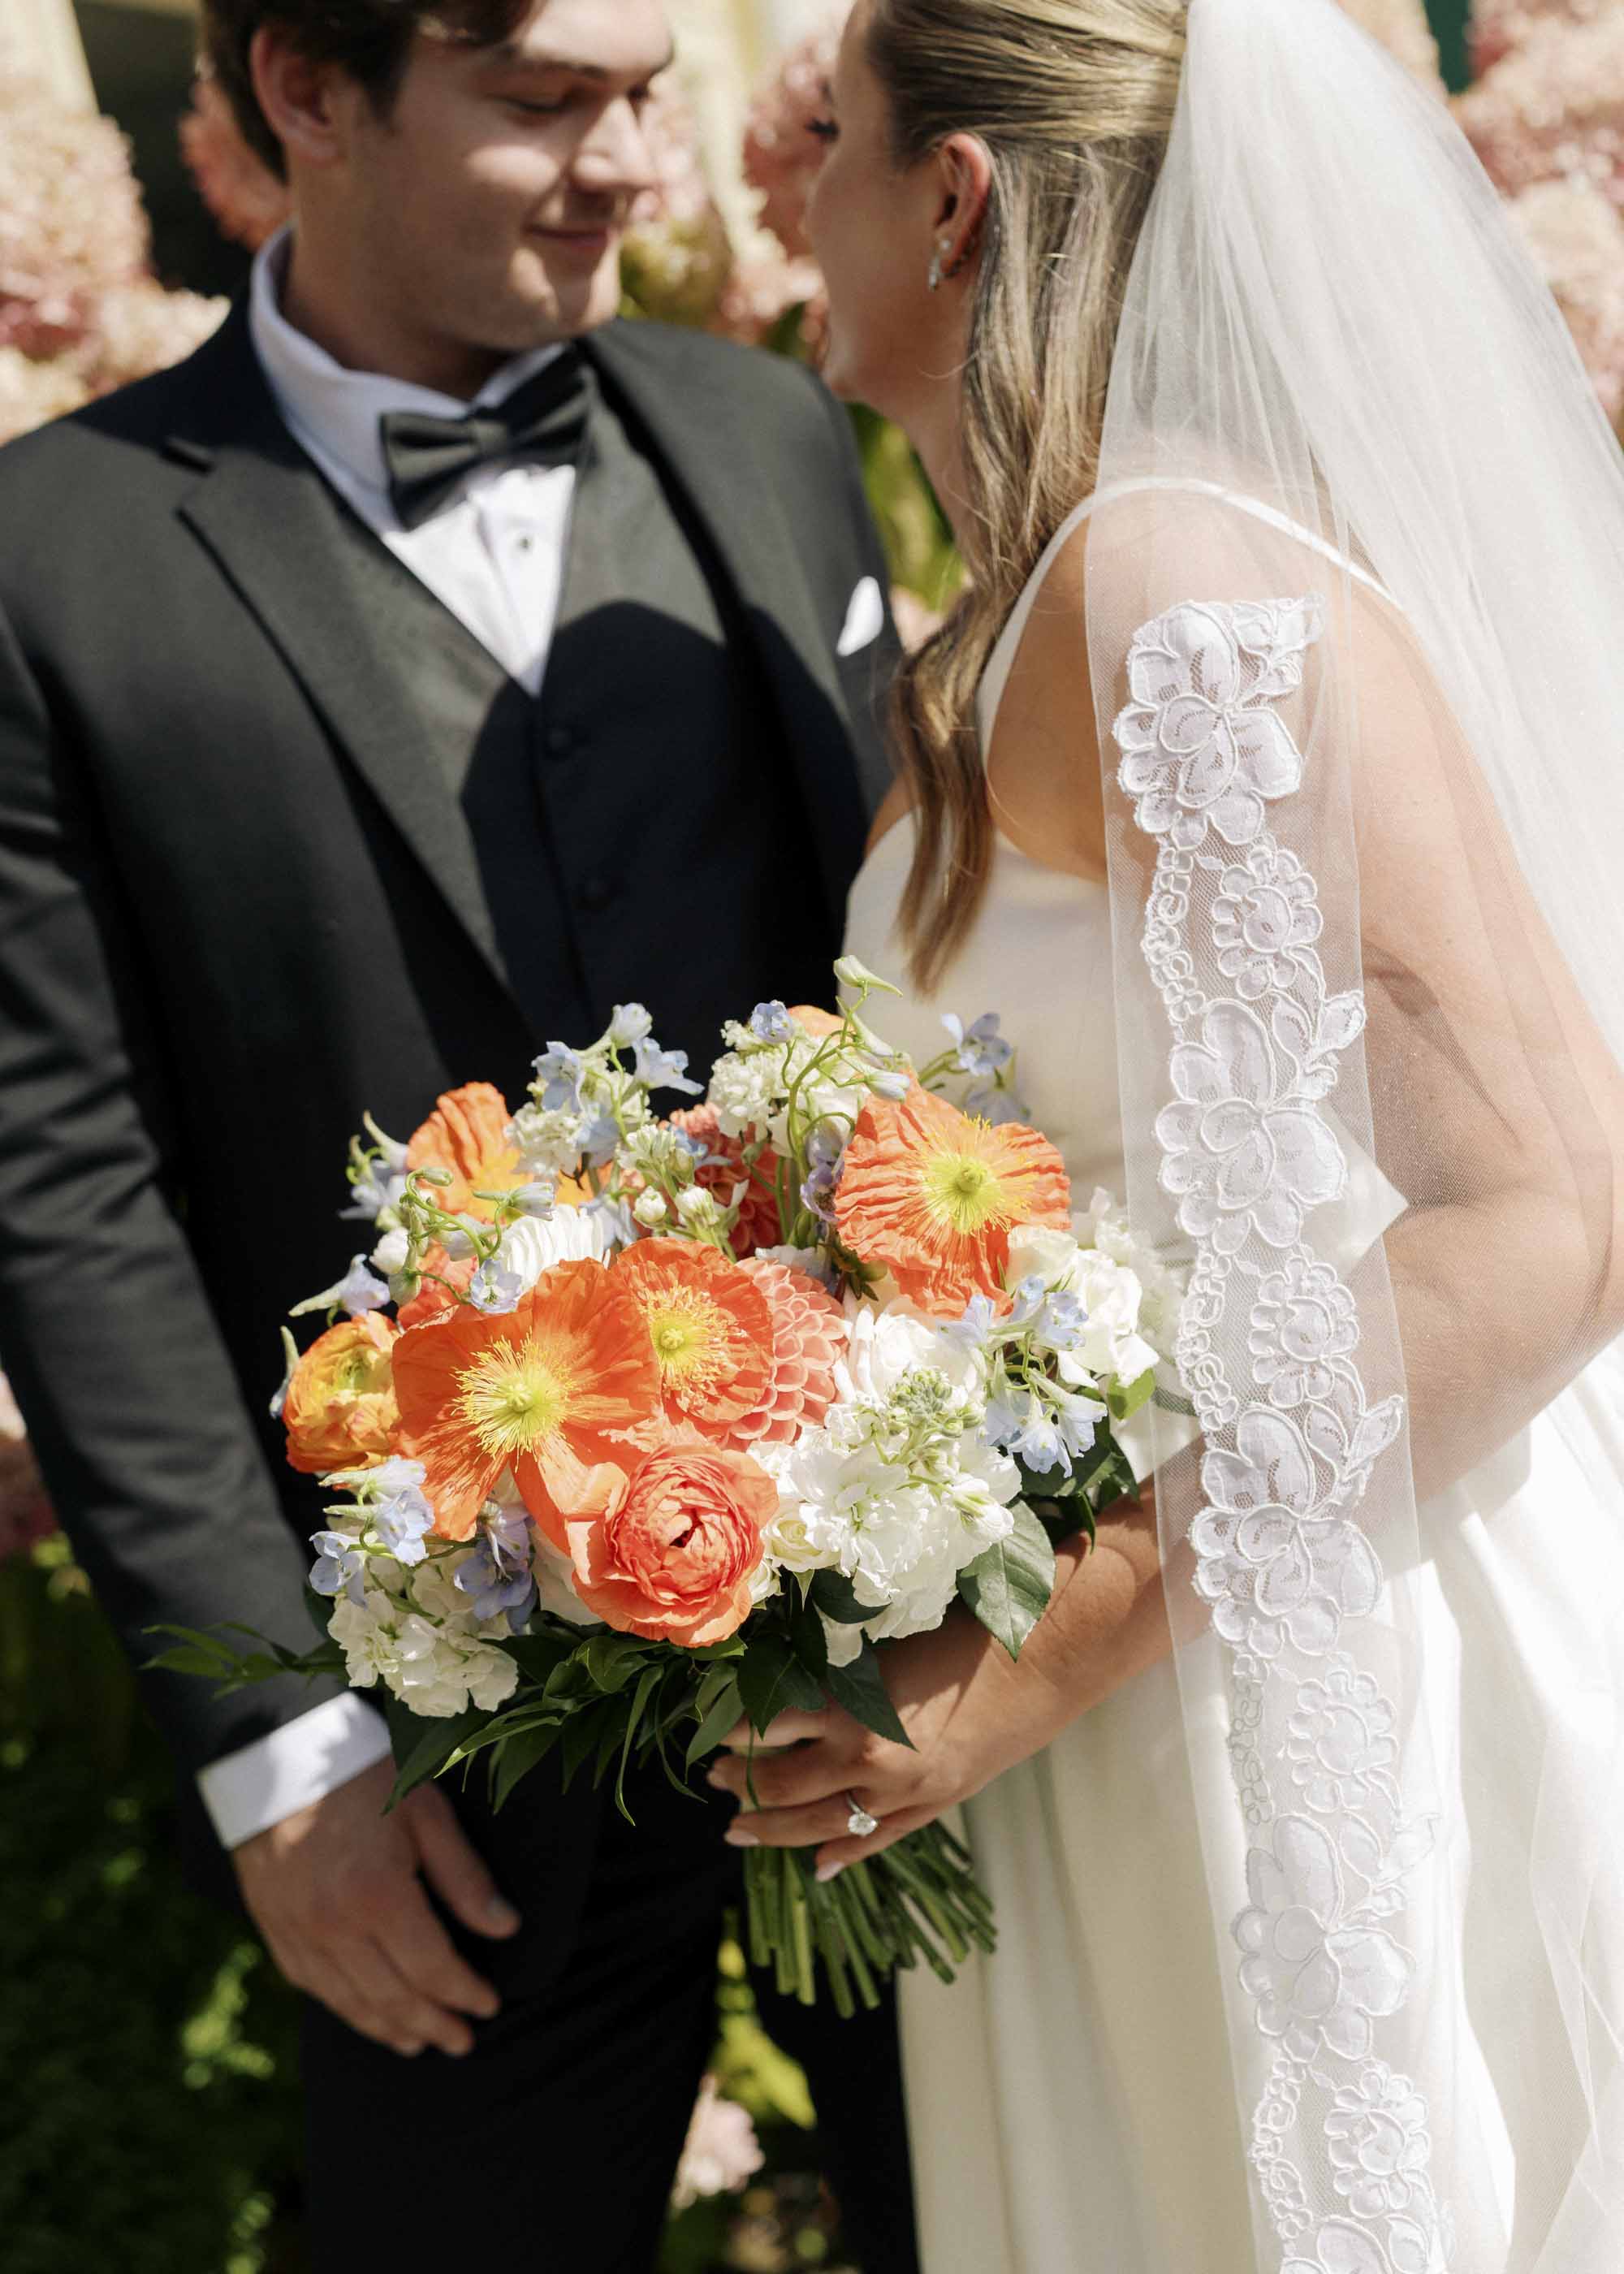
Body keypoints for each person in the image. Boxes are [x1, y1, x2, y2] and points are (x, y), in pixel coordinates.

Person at [0, 2, 919, 2268]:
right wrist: (281, 1758)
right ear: (308, 90)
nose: (629, 165)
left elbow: (917, 989)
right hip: (433, 1756)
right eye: (542, 105)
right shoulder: (50, 556)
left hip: (893, 1681)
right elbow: (62, 1175)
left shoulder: (766, 427)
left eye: (640, 96)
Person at [706, 1, 1624, 2268]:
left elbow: (1550, 1214)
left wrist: (1052, 1638)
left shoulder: (1168, 591)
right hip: (1113, 1689)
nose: (784, 196)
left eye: (831, 141)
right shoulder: (1029, 602)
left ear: (952, 198)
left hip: (1284, 1683)